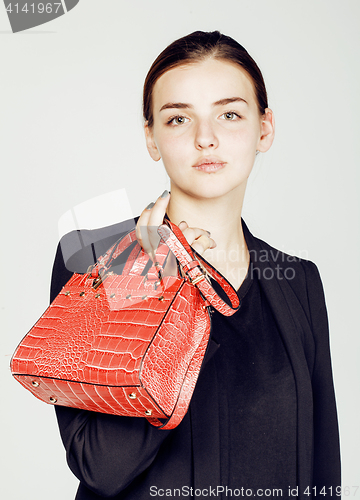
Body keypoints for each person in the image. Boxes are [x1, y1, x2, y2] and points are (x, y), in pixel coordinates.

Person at [51, 31, 341, 499]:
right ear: (151, 136)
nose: (206, 139)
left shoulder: (298, 282)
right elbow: (102, 466)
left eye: (229, 114)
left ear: (264, 128)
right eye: (179, 118)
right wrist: (160, 284)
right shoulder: (93, 259)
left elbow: (321, 467)